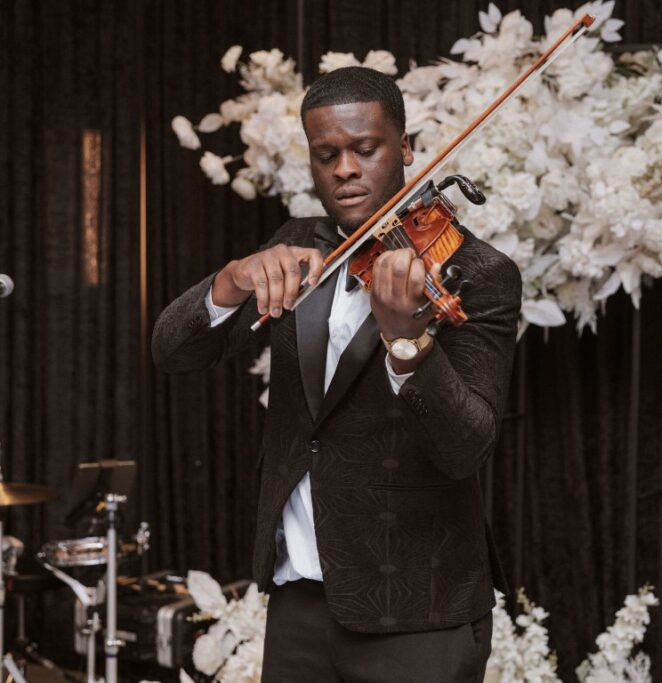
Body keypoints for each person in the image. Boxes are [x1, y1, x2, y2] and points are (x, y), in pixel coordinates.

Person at [152, 66, 521, 682]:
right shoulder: (299, 244)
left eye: (365, 149)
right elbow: (173, 352)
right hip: (299, 603)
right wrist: (231, 280)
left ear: (405, 149)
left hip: (417, 615)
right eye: (327, 155)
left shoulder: (477, 273)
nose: (345, 169)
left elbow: (467, 447)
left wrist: (410, 343)